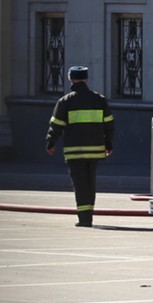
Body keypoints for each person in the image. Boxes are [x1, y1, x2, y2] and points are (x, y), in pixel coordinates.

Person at [46, 66, 113, 227]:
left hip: (74, 151)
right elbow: (109, 124)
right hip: (95, 150)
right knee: (90, 183)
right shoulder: (99, 99)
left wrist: (50, 142)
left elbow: (56, 125)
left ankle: (84, 219)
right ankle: (88, 214)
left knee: (80, 184)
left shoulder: (65, 101)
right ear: (86, 79)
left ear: (71, 79)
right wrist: (108, 144)